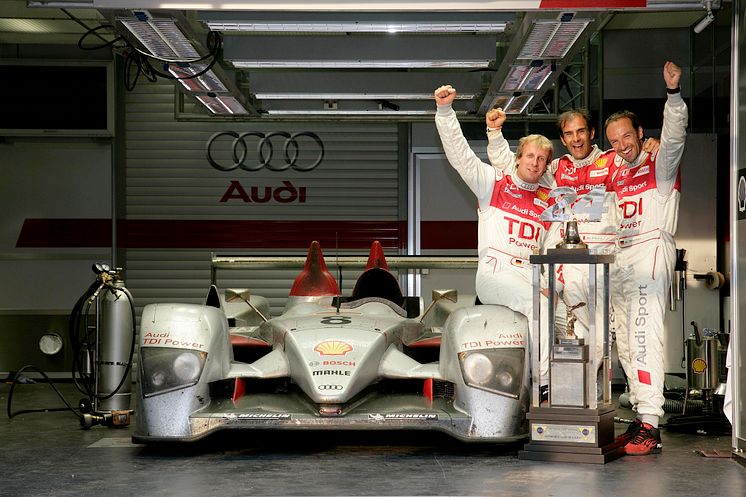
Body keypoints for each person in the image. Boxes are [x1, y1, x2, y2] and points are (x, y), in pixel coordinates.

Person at [433, 84, 559, 383]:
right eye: (529, 155)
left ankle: (570, 388)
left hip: (532, 274)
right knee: (536, 305)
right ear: (518, 158)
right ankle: (545, 388)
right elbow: (460, 156)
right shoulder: (493, 183)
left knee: (572, 315)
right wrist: (445, 112)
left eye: (541, 159)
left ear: (546, 165)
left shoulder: (552, 197)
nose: (534, 162)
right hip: (495, 273)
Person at [605, 60, 688, 456]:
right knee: (625, 342)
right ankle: (641, 418)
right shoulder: (617, 173)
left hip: (651, 250)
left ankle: (652, 426)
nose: (622, 145)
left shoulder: (660, 164)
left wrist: (672, 95)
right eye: (614, 141)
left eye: (627, 137)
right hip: (622, 257)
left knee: (643, 337)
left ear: (640, 133)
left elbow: (674, 137)